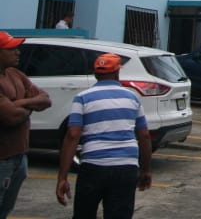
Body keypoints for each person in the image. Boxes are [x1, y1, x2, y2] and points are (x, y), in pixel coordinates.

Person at [56, 53, 152, 219]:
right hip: (126, 167)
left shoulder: (82, 98)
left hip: (93, 167)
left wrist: (62, 177)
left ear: (95, 74)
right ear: (117, 73)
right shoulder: (132, 98)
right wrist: (145, 170)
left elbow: (72, 135)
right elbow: (144, 136)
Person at [0, 31, 50, 218]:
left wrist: (19, 103)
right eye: (11, 49)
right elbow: (10, 117)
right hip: (2, 158)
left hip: (19, 156)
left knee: (6, 208)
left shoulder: (15, 74)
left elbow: (45, 99)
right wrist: (30, 106)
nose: (18, 52)